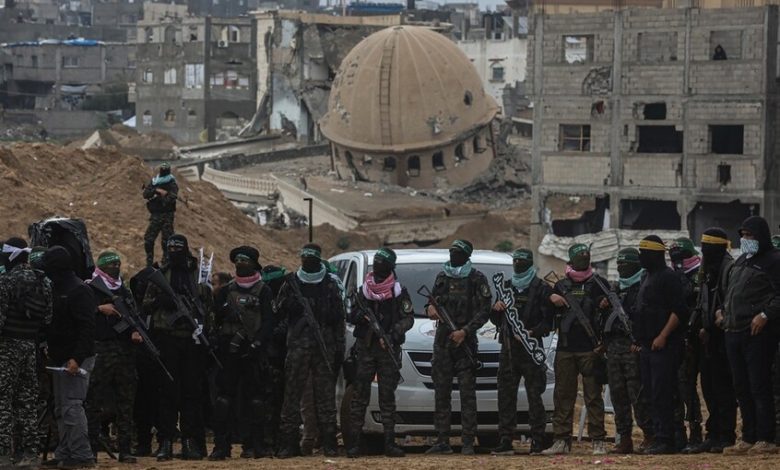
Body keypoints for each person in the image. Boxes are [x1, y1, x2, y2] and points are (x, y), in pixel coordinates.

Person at [143, 234, 212, 461]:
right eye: (170, 247)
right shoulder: (160, 274)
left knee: (191, 393)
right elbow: (145, 305)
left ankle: (189, 441)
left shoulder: (197, 276)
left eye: (177, 247)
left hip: (192, 341)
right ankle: (165, 441)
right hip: (167, 339)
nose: (173, 251)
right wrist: (161, 302)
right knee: (167, 392)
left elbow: (208, 307)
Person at [275, 244, 345, 458]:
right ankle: (289, 443)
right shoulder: (291, 282)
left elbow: (339, 319)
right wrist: (292, 306)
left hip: (324, 348)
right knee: (292, 395)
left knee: (325, 397)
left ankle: (329, 442)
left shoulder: (330, 284)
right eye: (304, 257)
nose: (307, 261)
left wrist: (338, 348)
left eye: (311, 257)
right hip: (298, 347)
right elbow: (279, 310)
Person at [424, 240, 492, 455]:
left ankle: (468, 441)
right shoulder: (442, 277)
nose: (453, 256)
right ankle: (442, 440)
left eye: (458, 253)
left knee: (467, 395)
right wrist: (430, 308)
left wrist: (465, 331)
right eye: (451, 252)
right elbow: (432, 301)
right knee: (441, 392)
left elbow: (485, 310)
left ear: (466, 256)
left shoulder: (477, 278)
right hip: (443, 342)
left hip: (465, 344)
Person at [719, 216, 780, 454]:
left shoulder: (773, 261)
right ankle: (748, 436)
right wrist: (723, 311)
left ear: (761, 236)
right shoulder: (742, 260)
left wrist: (765, 314)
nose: (745, 240)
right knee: (741, 387)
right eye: (743, 235)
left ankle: (766, 437)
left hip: (757, 333)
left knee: (759, 385)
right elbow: (732, 291)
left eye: (750, 235)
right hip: (733, 330)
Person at [346, 248, 414, 458]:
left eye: (381, 262)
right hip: (366, 350)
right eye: (376, 262)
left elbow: (408, 318)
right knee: (359, 397)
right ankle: (354, 445)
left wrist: (393, 335)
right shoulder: (363, 291)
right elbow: (351, 315)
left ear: (390, 267)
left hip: (387, 350)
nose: (377, 266)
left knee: (387, 398)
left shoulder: (398, 292)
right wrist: (362, 318)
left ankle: (389, 444)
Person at [209, 246, 274, 460]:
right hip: (230, 351)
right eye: (237, 260)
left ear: (254, 264)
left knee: (255, 400)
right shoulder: (226, 291)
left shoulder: (263, 290)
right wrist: (223, 315)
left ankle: (255, 445)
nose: (240, 263)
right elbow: (214, 318)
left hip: (253, 352)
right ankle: (221, 446)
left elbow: (269, 322)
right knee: (223, 400)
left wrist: (257, 344)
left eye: (245, 260)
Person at [543, 243, 607, 456]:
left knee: (593, 396)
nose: (584, 258)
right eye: (580, 255)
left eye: (586, 255)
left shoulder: (599, 284)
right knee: (563, 396)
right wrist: (551, 298)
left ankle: (598, 440)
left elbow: (609, 315)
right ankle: (561, 440)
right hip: (565, 348)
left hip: (591, 349)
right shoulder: (560, 285)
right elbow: (547, 314)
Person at [489, 248, 552, 456]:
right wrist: (496, 309)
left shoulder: (541, 288)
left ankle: (537, 440)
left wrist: (531, 333)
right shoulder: (505, 287)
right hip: (509, 349)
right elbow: (496, 320)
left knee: (535, 396)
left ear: (529, 263)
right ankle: (506, 440)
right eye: (515, 261)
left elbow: (549, 322)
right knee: (506, 396)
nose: (517, 264)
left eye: (521, 261)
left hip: (531, 350)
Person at [84, 251, 143, 463]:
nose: (115, 267)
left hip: (124, 351)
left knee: (126, 401)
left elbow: (134, 316)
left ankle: (125, 448)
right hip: (101, 349)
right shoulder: (89, 288)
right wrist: (99, 309)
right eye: (111, 264)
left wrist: (136, 332)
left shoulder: (123, 290)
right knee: (94, 400)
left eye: (118, 264)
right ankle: (91, 448)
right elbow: (80, 313)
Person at [0, 238, 53, 470]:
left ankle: (3, 455)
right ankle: (29, 455)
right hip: (30, 348)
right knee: (27, 402)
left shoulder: (6, 281)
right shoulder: (44, 282)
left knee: (3, 401)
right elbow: (47, 319)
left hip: (6, 348)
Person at [42, 245, 97, 468]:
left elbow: (87, 328)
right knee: (61, 408)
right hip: (61, 357)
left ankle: (82, 455)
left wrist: (76, 358)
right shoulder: (57, 288)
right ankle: (65, 453)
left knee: (72, 406)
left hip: (76, 359)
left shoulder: (79, 290)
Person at [634, 235, 688, 455]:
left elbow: (679, 311)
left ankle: (667, 439)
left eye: (644, 253)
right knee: (651, 394)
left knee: (663, 393)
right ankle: (659, 436)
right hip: (647, 346)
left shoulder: (669, 277)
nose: (640, 257)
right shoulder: (647, 277)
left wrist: (663, 335)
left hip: (665, 346)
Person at [688, 228, 736, 454]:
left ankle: (726, 435)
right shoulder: (706, 269)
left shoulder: (729, 268)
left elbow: (730, 301)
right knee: (709, 388)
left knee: (724, 389)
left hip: (724, 336)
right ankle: (713, 433)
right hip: (708, 338)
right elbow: (703, 301)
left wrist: (717, 321)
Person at [601, 248, 652, 454]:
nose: (621, 268)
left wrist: (640, 340)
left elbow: (647, 317)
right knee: (617, 395)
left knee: (637, 394)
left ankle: (649, 435)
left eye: (625, 264)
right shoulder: (614, 289)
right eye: (619, 264)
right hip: (614, 348)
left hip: (633, 348)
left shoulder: (643, 287)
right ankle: (624, 438)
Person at [669, 238, 703, 452]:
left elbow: (691, 298)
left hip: (698, 338)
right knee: (677, 386)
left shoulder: (699, 274)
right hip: (676, 338)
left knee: (689, 388)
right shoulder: (672, 275)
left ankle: (696, 432)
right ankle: (678, 434)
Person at [260, 265, 288, 454]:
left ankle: (277, 441)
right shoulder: (267, 297)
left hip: (282, 355)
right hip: (271, 356)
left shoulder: (284, 298)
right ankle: (268, 441)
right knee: (270, 401)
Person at [143, 163, 178, 267]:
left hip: (167, 216)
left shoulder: (172, 184)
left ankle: (165, 262)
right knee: (148, 239)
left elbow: (171, 199)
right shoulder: (155, 181)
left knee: (167, 241)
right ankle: (149, 262)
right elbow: (146, 194)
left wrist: (162, 196)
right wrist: (156, 190)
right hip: (156, 215)